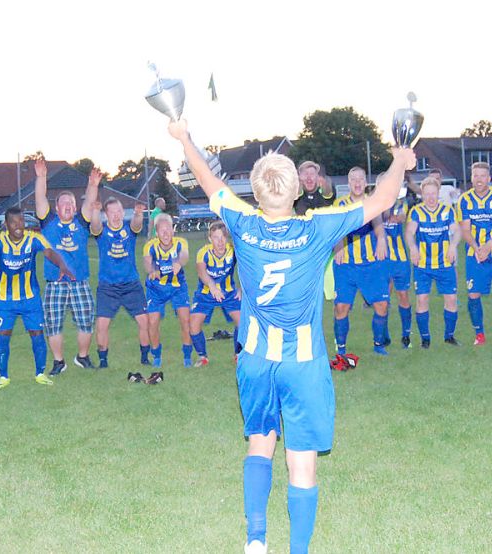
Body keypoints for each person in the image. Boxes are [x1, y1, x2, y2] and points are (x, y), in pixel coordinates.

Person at [168, 118, 413, 554]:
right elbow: (384, 198)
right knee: (301, 464)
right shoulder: (316, 226)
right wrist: (398, 159)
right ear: (296, 189)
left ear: (256, 191)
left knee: (259, 444)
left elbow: (207, 181)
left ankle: (256, 539)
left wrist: (184, 138)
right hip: (302, 365)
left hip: (256, 360)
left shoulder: (242, 221)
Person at [0, 208, 74, 389]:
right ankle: (3, 377)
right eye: (14, 222)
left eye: (21, 221)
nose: (19, 226)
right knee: (3, 337)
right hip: (6, 300)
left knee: (37, 335)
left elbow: (50, 252)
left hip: (31, 298)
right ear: (6, 224)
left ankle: (40, 374)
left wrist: (62, 265)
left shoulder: (33, 238)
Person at [35, 158, 100, 374]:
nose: (68, 206)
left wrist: (92, 185)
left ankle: (82, 357)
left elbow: (89, 203)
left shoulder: (81, 222)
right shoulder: (48, 222)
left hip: (79, 281)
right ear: (57, 207)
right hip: (55, 282)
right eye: (64, 203)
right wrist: (41, 177)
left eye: (71, 203)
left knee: (86, 322)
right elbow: (39, 199)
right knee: (53, 324)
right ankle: (58, 361)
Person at [332, 166, 389, 356]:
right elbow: (336, 230)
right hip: (346, 264)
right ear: (348, 183)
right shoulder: (340, 205)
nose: (357, 183)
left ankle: (378, 345)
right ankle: (341, 349)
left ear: (366, 182)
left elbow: (378, 226)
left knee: (381, 304)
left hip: (370, 264)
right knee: (342, 307)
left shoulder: (371, 203)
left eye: (360, 179)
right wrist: (338, 246)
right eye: (353, 179)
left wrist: (381, 239)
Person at [89, 198, 151, 368]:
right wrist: (95, 211)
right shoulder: (102, 232)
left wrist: (138, 213)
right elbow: (94, 227)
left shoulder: (128, 229)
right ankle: (103, 361)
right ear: (106, 215)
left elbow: (137, 225)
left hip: (131, 285)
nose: (116, 215)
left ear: (123, 212)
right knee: (101, 325)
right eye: (112, 212)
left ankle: (145, 358)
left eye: (119, 211)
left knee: (144, 322)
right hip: (108, 287)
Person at [456, 161, 492, 346]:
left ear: (489, 178)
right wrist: (477, 247)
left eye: (482, 176)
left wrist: (489, 245)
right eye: (475, 176)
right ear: (471, 178)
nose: (479, 179)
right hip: (475, 255)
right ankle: (479, 334)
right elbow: (465, 229)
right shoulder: (464, 199)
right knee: (474, 294)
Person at [406, 176, 461, 348]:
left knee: (451, 299)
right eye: (427, 194)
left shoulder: (447, 211)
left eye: (433, 194)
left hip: (445, 264)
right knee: (422, 299)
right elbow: (409, 233)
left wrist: (453, 245)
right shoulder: (416, 212)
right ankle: (425, 339)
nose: (430, 197)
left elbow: (457, 231)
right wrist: (413, 248)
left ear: (438, 194)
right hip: (423, 265)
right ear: (422, 194)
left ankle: (449, 336)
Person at [143, 212, 192, 372]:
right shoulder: (150, 246)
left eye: (168, 229)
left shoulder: (180, 242)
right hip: (156, 289)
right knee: (153, 322)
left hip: (178, 288)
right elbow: (147, 263)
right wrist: (152, 271)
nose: (165, 233)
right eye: (161, 230)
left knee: (185, 321)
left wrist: (178, 262)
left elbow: (184, 255)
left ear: (173, 230)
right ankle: (156, 355)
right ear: (157, 233)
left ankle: (187, 356)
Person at [189, 221, 242, 365]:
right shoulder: (203, 252)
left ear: (227, 237)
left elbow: (248, 268)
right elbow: (201, 271)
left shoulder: (234, 250)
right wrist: (212, 286)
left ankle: (238, 354)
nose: (220, 241)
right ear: (209, 239)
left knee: (243, 322)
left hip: (229, 293)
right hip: (206, 294)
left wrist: (241, 288)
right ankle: (202, 357)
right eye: (215, 237)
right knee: (193, 326)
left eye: (222, 237)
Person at [379, 172, 414, 347]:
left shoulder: (402, 202)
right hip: (381, 259)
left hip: (400, 258)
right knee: (383, 299)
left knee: (403, 295)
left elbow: (398, 217)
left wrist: (385, 209)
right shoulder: (375, 204)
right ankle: (384, 336)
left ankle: (406, 336)